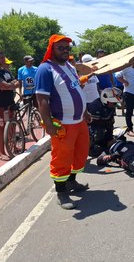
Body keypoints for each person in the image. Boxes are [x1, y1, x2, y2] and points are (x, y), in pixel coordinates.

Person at [35, 34, 92, 210]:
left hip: (79, 121)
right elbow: (42, 99)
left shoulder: (69, 66)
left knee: (79, 154)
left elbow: (77, 90)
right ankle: (61, 191)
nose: (65, 51)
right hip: (63, 124)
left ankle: (72, 182)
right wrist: (48, 124)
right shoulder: (45, 69)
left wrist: (85, 111)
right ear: (52, 49)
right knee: (62, 158)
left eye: (67, 48)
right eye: (61, 48)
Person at [0, 50, 19, 161]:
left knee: (12, 124)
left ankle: (13, 145)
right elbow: (4, 85)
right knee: (1, 127)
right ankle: (1, 153)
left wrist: (10, 85)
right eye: (1, 58)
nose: (3, 60)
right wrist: (10, 85)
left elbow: (16, 82)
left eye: (4, 57)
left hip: (10, 103)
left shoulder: (5, 71)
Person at [88, 87, 122, 157]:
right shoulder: (94, 106)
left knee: (120, 138)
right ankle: (89, 149)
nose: (113, 104)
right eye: (112, 102)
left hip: (102, 126)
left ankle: (103, 143)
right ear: (105, 100)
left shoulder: (110, 107)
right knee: (98, 133)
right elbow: (89, 122)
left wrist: (110, 139)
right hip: (92, 127)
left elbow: (110, 123)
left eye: (114, 102)